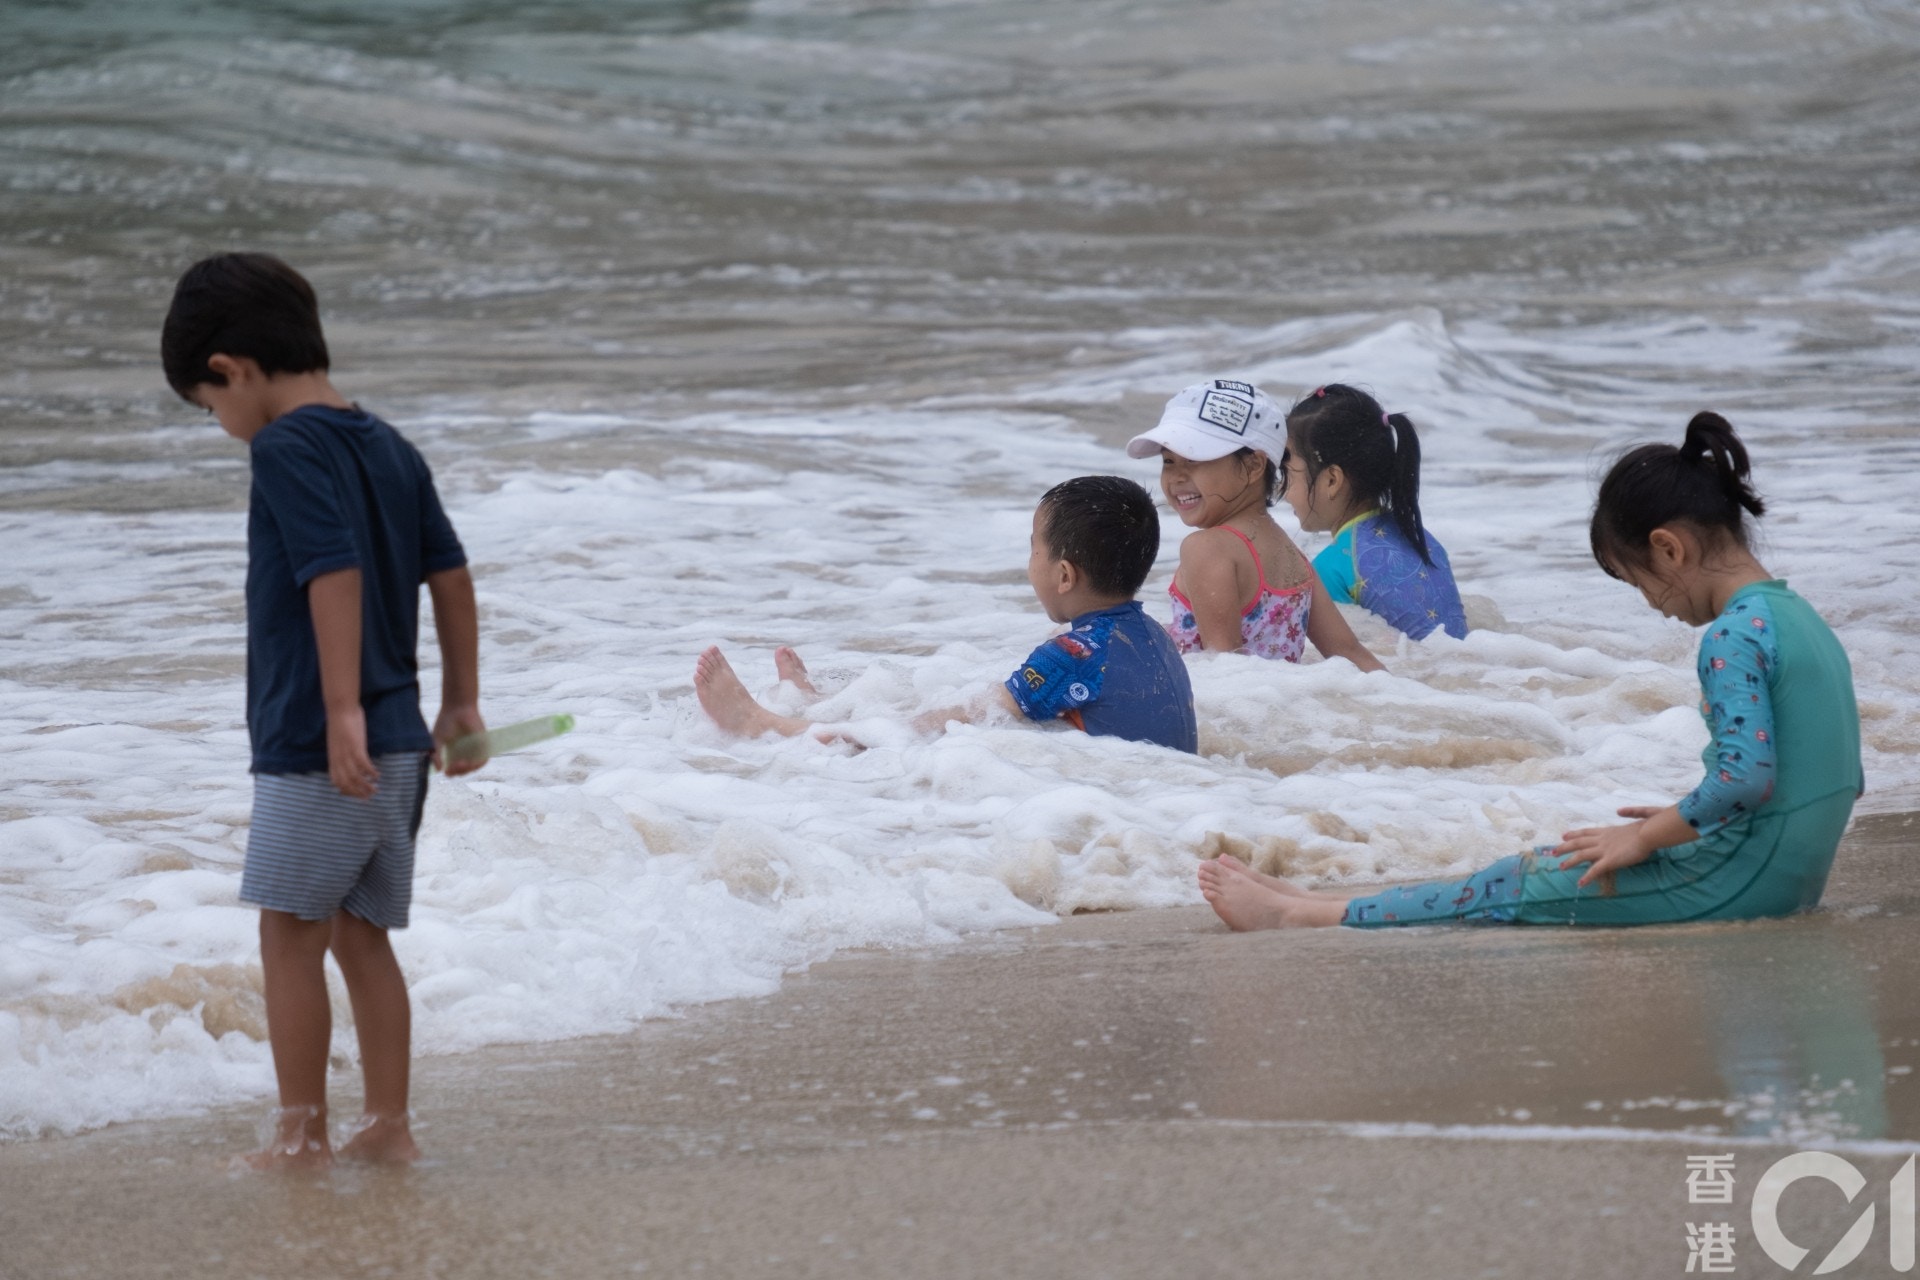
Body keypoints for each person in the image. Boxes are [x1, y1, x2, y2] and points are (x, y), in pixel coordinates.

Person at [1199, 411, 1862, 930]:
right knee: (1550, 865)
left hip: (1735, 885)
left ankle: (1304, 914)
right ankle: (1318, 901)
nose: (1655, 606)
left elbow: (1744, 779)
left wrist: (1648, 835)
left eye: (1639, 582)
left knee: (1523, 881)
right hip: (1784, 874)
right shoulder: (1796, 618)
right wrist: (1693, 819)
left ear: (1669, 547)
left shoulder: (1731, 638)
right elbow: (1834, 779)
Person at [161, 253, 485, 1168]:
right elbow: (450, 573)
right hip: (402, 748)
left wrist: (338, 711)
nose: (221, 426)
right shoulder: (389, 445)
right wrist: (460, 698)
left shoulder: (286, 447)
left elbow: (330, 569)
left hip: (322, 745)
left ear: (231, 368)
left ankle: (300, 1131)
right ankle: (388, 1124)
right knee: (360, 934)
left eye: (208, 405)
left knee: (288, 936)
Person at [695, 475, 1198, 753]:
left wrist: (897, 730)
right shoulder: (1147, 633)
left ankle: (759, 722)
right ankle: (816, 699)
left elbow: (967, 718)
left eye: (1033, 550)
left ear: (1064, 576)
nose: (1029, 563)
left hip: (1115, 796)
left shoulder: (1068, 655)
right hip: (1150, 789)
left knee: (911, 739)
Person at [1125, 379, 1384, 670]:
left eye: (1194, 458)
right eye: (1169, 461)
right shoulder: (1293, 558)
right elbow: (1350, 652)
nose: (1177, 477)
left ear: (1253, 467)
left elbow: (1223, 667)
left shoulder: (1206, 548)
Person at [1281, 384, 1468, 641]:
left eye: (1289, 477)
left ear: (1332, 480)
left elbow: (1337, 660)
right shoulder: (1422, 540)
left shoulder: (1330, 569)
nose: (1284, 493)